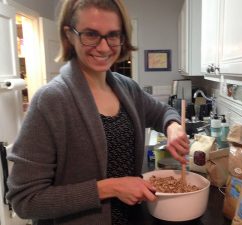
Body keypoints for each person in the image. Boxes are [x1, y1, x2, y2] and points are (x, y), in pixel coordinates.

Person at [7, 0, 189, 224]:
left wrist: (173, 127)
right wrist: (110, 188)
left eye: (113, 35)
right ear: (70, 35)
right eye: (91, 34)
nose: (104, 47)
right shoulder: (51, 101)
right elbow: (25, 200)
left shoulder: (127, 88)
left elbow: (163, 112)